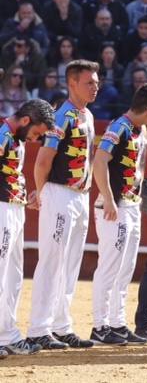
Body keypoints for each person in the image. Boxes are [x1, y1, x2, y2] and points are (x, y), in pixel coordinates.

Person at [27, 60, 100, 350]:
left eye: (96, 82)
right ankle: (38, 328)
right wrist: (40, 192)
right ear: (72, 84)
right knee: (52, 260)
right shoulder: (62, 116)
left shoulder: (89, 115)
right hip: (59, 194)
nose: (96, 87)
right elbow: (43, 160)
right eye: (89, 82)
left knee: (70, 263)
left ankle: (61, 324)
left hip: (80, 196)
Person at [90, 84, 147, 346]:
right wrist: (109, 199)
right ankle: (100, 326)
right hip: (115, 206)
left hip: (131, 204)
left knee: (125, 267)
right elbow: (99, 162)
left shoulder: (140, 129)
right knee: (110, 265)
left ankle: (117, 323)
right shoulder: (117, 127)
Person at [0, 99, 55, 356]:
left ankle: (7, 334)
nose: (35, 140)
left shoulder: (16, 138)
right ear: (25, 121)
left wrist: (24, 196)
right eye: (36, 133)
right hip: (1, 210)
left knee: (13, 276)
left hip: (14, 207)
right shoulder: (2, 134)